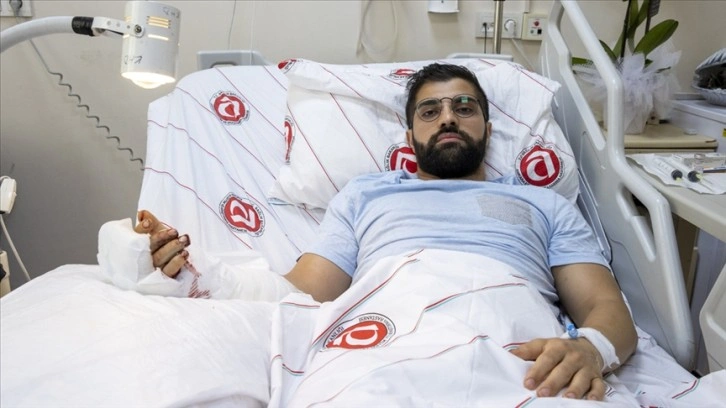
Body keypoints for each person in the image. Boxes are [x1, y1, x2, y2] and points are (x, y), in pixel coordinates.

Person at [136, 63, 637, 402]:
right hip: (387, 334)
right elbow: (303, 291)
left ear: (487, 129)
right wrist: (198, 273)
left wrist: (592, 348)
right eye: (430, 111)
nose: (448, 118)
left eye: (464, 108)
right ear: (409, 136)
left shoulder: (543, 202)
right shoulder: (366, 195)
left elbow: (604, 307)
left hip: (513, 343)